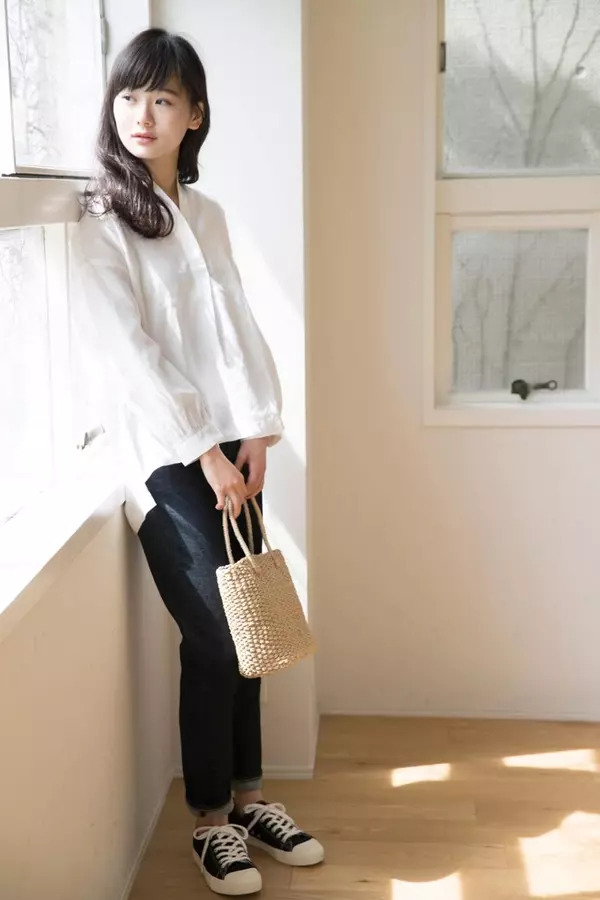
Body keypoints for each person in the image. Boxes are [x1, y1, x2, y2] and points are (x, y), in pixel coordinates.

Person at [70, 27, 324, 897]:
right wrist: (204, 450)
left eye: (162, 98)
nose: (141, 113)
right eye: (128, 95)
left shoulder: (205, 215)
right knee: (215, 635)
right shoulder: (102, 219)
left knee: (253, 626)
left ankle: (252, 800)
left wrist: (256, 432)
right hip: (165, 455)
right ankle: (211, 821)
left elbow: (236, 333)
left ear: (195, 115)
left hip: (232, 447)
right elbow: (126, 354)